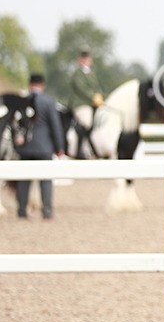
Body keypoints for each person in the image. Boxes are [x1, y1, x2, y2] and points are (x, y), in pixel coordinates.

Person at [15, 74, 65, 219]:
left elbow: (17, 124)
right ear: (43, 85)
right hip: (44, 146)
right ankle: (47, 210)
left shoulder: (23, 101)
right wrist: (59, 146)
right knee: (46, 180)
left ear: (29, 84)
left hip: (25, 146)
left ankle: (22, 210)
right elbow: (55, 126)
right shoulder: (48, 101)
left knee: (24, 180)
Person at [69, 49, 104, 158]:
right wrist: (93, 97)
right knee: (87, 122)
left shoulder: (92, 73)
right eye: (83, 59)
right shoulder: (77, 73)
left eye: (87, 59)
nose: (86, 61)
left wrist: (100, 96)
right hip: (81, 103)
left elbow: (97, 87)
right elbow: (81, 88)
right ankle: (83, 149)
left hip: (93, 104)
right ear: (80, 60)